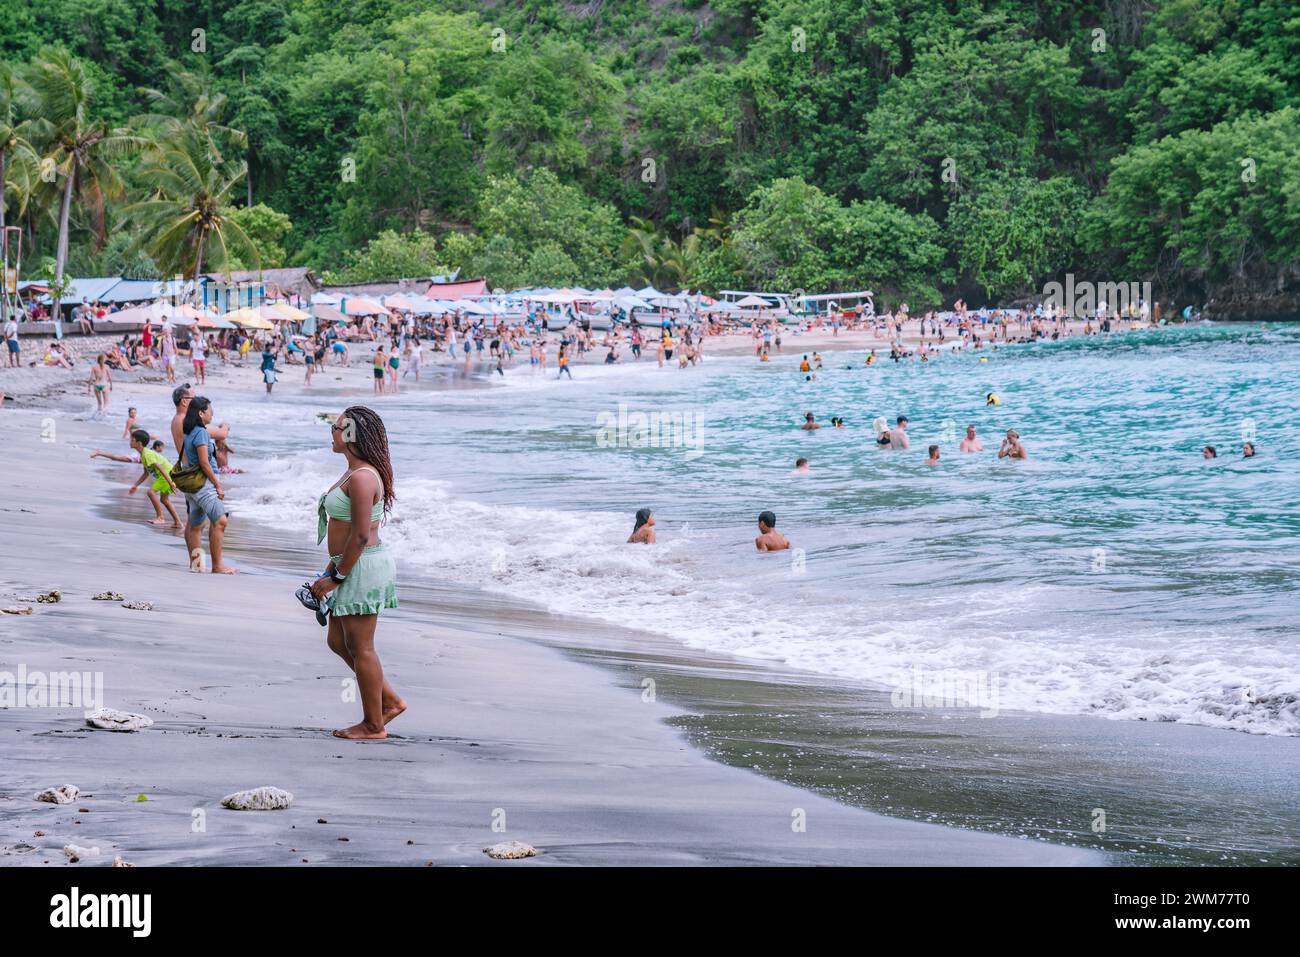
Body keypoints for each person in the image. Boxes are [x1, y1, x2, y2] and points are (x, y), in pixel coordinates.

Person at [308, 406, 402, 740]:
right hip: (349, 564)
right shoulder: (353, 472)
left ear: (350, 434)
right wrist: (331, 569)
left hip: (362, 567)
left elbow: (361, 535)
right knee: (338, 641)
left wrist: (336, 577)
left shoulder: (362, 477)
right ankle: (388, 701)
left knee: (362, 647)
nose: (331, 432)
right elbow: (347, 532)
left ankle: (374, 724)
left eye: (336, 427)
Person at [180, 396, 236, 573]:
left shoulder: (190, 431)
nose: (212, 414)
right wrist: (217, 485)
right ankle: (217, 565)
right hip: (203, 485)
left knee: (195, 525)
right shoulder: (201, 432)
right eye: (210, 410)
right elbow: (204, 463)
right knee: (220, 520)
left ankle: (196, 565)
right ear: (201, 413)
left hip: (192, 486)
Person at [126, 428, 181, 527]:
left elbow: (160, 468)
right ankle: (178, 522)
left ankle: (160, 517)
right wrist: (135, 485)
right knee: (164, 500)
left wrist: (171, 482)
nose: (130, 441)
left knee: (150, 492)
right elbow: (146, 473)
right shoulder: (143, 455)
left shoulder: (147, 454)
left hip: (167, 475)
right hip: (170, 474)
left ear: (139, 443)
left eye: (132, 440)